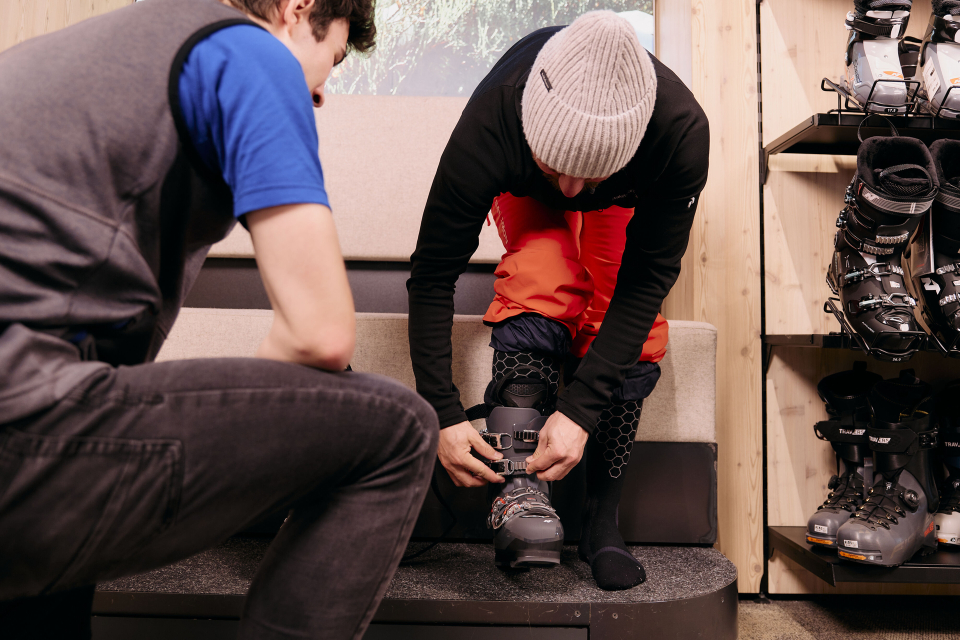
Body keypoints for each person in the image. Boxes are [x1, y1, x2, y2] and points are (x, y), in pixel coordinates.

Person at [0, 0, 438, 638]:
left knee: (54, 585)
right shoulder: (250, 53)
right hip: (20, 425)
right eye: (332, 61)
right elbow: (320, 334)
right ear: (297, 9)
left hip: (31, 424)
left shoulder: (71, 58)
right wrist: (263, 450)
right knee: (398, 430)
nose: (318, 95)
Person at [407, 11, 709, 591]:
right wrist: (442, 413)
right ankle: (523, 492)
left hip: (627, 187)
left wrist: (580, 412)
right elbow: (432, 272)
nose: (571, 193)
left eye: (587, 176)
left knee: (625, 311)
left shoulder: (679, 133)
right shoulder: (495, 116)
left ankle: (602, 521)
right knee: (545, 272)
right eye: (557, 167)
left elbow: (644, 283)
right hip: (524, 181)